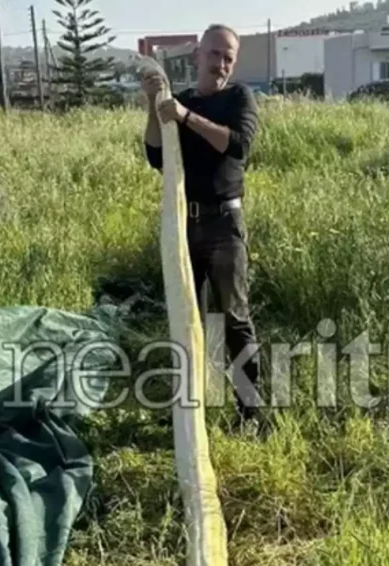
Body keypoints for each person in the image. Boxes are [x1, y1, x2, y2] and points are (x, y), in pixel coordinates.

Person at [141, 24, 263, 425]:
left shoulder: (238, 98)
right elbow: (156, 156)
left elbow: (238, 144)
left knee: (234, 318)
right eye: (215, 54)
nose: (221, 64)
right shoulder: (180, 101)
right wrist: (154, 105)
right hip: (184, 225)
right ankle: (189, 410)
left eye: (229, 58)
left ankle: (249, 411)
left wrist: (186, 117)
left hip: (225, 224)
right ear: (197, 56)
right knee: (186, 316)